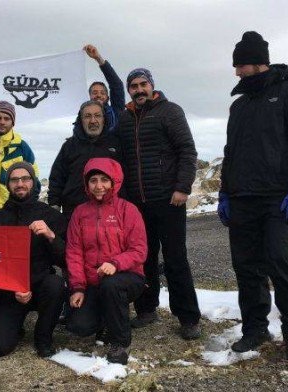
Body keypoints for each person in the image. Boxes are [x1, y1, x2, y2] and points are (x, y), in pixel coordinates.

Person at [217, 31, 288, 361]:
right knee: (246, 268)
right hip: (243, 199)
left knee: (282, 263)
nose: (236, 72)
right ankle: (255, 329)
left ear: (258, 63)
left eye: (241, 66)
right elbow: (230, 152)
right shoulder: (239, 107)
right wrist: (224, 192)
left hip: (280, 198)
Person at [117, 68, 201, 340]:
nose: (139, 90)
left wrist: (182, 187)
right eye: (134, 86)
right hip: (137, 204)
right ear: (129, 89)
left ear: (152, 85)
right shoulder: (125, 118)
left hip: (169, 199)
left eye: (143, 84)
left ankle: (188, 317)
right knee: (144, 258)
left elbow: (187, 150)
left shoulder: (170, 111)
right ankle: (146, 309)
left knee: (176, 258)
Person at [65, 158, 146, 365]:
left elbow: (139, 250)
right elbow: (74, 252)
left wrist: (116, 263)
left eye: (104, 180)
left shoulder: (128, 210)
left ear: (114, 182)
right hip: (93, 282)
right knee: (79, 327)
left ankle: (120, 342)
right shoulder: (80, 213)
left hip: (127, 277)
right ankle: (105, 318)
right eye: (93, 180)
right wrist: (78, 288)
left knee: (111, 285)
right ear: (87, 184)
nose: (99, 186)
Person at [0, 162, 67, 358]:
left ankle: (43, 336)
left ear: (33, 182)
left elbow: (66, 259)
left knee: (56, 284)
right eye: (14, 179)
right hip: (10, 291)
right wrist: (11, 288)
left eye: (25, 178)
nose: (20, 183)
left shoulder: (51, 216)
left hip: (41, 286)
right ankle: (15, 326)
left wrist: (51, 236)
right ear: (8, 184)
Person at [48, 100, 120, 220]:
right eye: (87, 116)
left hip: (110, 212)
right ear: (80, 120)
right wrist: (54, 204)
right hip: (74, 211)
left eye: (97, 116)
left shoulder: (116, 144)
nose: (93, 121)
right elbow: (57, 177)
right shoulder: (69, 146)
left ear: (104, 119)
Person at [83, 44, 125, 132]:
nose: (98, 95)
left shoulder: (116, 112)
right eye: (94, 93)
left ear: (108, 97)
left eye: (102, 93)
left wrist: (98, 58)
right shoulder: (82, 117)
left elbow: (117, 85)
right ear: (89, 97)